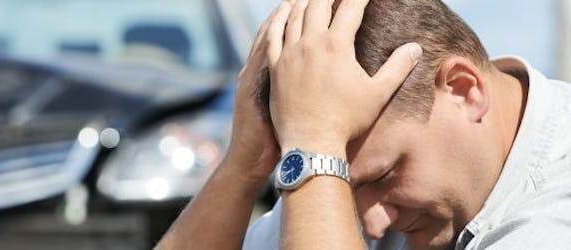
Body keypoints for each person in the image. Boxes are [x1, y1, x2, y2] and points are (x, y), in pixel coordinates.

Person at [155, 0, 571, 249]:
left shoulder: (556, 214)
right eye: (347, 189)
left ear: (464, 91)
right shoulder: (341, 159)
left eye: (386, 175)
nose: (372, 224)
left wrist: (317, 151)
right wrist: (242, 166)